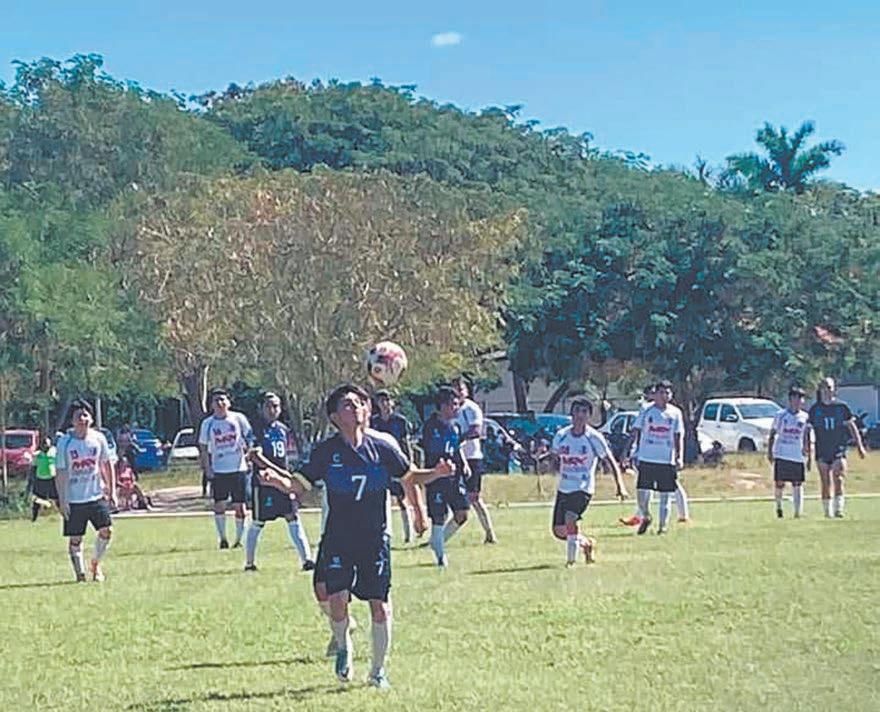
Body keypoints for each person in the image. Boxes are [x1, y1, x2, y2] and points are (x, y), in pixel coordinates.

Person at [250, 383, 455, 688]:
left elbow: (409, 476)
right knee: (336, 600)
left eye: (359, 402)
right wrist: (276, 482)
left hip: (375, 537)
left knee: (379, 604)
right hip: (338, 536)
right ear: (335, 417)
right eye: (347, 404)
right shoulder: (326, 451)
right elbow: (299, 485)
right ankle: (343, 644)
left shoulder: (382, 447)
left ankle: (377, 672)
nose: (356, 407)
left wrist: (436, 473)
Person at [549, 399, 627, 566]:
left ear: (589, 416)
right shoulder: (561, 436)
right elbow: (555, 459)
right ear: (571, 414)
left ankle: (571, 561)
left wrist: (620, 486)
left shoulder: (594, 437)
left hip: (583, 488)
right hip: (565, 487)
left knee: (570, 518)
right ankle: (586, 543)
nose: (580, 415)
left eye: (584, 412)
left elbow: (610, 460)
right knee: (559, 531)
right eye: (577, 411)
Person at [245, 392, 314, 571]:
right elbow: (255, 455)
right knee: (258, 521)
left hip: (282, 483)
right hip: (264, 483)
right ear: (261, 408)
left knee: (293, 516)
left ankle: (307, 560)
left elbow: (285, 456)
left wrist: (288, 473)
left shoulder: (282, 429)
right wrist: (279, 471)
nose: (272, 410)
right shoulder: (257, 429)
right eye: (268, 406)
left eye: (275, 406)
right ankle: (249, 562)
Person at [55, 400, 116, 582]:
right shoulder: (65, 443)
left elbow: (106, 464)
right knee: (76, 538)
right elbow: (60, 472)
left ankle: (95, 564)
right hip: (74, 499)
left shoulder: (98, 439)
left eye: (85, 415)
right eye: (78, 416)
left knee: (106, 531)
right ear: (72, 421)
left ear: (91, 418)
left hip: (95, 495)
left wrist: (112, 491)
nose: (82, 419)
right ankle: (80, 574)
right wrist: (63, 501)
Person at [620, 383, 691, 527]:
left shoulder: (675, 412)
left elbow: (678, 435)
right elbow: (635, 431)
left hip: (666, 459)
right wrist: (627, 451)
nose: (664, 396)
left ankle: (675, 519)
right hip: (647, 457)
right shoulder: (647, 410)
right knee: (644, 489)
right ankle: (642, 515)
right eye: (661, 393)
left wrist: (679, 456)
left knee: (670, 489)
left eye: (667, 393)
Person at [421, 386, 471, 567]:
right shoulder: (430, 426)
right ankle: (441, 556)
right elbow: (428, 450)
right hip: (436, 477)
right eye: (453, 404)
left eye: (458, 404)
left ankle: (437, 541)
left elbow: (456, 448)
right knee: (438, 516)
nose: (456, 408)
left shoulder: (455, 426)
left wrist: (463, 464)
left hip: (454, 476)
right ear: (442, 406)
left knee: (462, 513)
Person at [198, 388, 253, 549]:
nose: (220, 403)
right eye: (216, 400)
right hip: (219, 470)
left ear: (228, 402)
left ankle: (239, 539)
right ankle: (222, 538)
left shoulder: (238, 418)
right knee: (219, 505)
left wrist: (249, 457)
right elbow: (203, 447)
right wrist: (207, 468)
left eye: (223, 399)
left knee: (240, 506)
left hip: (238, 468)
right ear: (211, 405)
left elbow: (250, 438)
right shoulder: (208, 424)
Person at [370, 390, 427, 543]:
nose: (384, 404)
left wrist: (409, 462)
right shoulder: (374, 422)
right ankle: (388, 532)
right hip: (382, 465)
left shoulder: (400, 421)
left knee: (406, 497)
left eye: (386, 400)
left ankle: (412, 531)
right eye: (381, 401)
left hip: (399, 462)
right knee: (386, 497)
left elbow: (405, 443)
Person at [808, 377, 866, 518]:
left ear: (834, 389)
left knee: (838, 478)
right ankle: (827, 511)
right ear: (820, 390)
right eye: (824, 387)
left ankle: (838, 509)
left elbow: (852, 427)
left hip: (838, 448)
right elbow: (808, 431)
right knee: (825, 481)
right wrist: (808, 450)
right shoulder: (815, 409)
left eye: (829, 387)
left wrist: (860, 446)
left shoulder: (841, 407)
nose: (827, 390)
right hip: (822, 449)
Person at [452, 378, 497, 543]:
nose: (457, 392)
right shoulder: (450, 410)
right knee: (453, 496)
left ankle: (489, 533)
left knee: (474, 497)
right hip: (455, 458)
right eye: (455, 389)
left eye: (460, 389)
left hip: (472, 457)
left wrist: (459, 439)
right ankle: (439, 535)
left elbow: (476, 430)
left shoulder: (471, 408)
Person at [768, 386, 812, 519]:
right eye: (796, 398)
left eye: (801, 398)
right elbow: (772, 433)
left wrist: (809, 456)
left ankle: (798, 512)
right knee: (779, 482)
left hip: (797, 455)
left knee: (797, 483)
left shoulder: (805, 417)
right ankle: (779, 507)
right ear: (790, 399)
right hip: (782, 453)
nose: (798, 401)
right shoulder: (780, 415)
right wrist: (770, 451)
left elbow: (807, 437)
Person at [29, 437, 58, 521]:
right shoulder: (38, 455)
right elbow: (33, 466)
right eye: (44, 444)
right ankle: (34, 517)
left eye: (47, 444)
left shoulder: (54, 452)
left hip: (52, 479)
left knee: (58, 498)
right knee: (37, 499)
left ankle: (63, 513)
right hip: (40, 479)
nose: (46, 446)